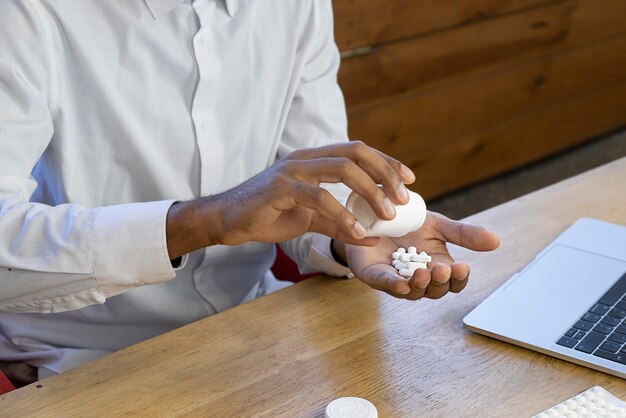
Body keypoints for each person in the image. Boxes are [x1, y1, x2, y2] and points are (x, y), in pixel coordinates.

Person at [0, 0, 500, 386]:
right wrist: (207, 221)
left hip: (257, 325)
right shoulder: (26, 16)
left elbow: (313, 177)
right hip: (83, 360)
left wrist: (353, 234)